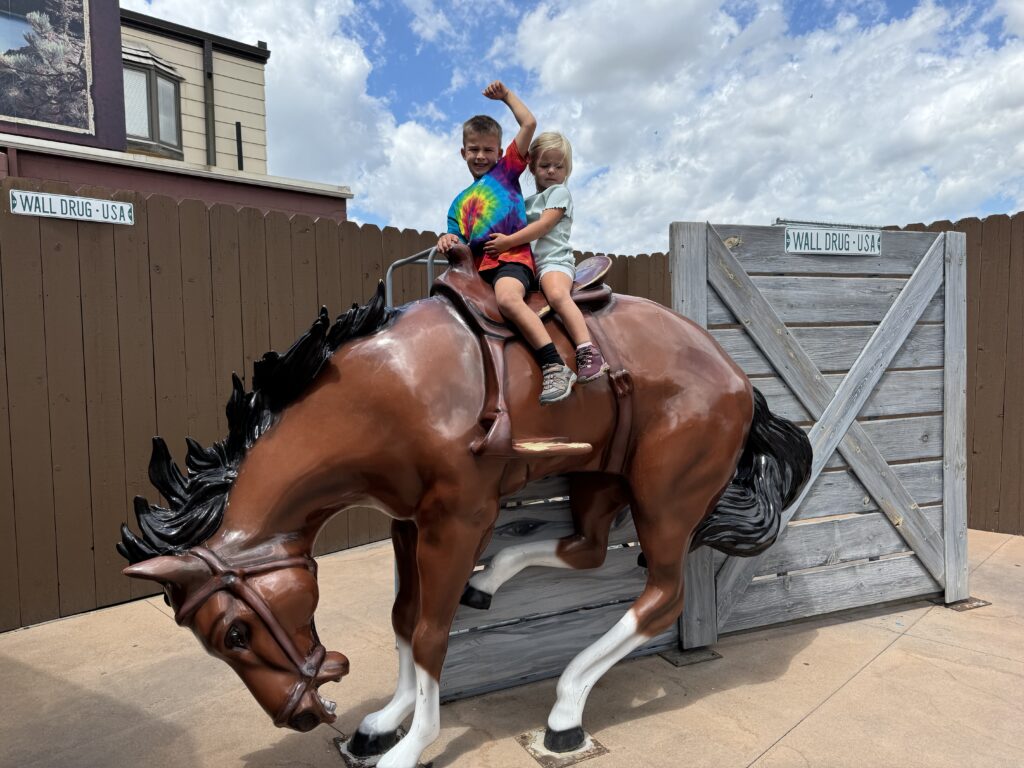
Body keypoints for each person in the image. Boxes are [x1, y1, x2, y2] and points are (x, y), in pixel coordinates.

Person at [437, 81, 577, 404]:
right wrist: (446, 239)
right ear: (463, 153)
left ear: (500, 153)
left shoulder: (505, 172)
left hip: (512, 260)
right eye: (474, 149)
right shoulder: (458, 203)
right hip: (479, 272)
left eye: (488, 149)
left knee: (509, 300)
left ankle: (554, 364)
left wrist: (506, 98)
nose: (481, 155)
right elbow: (455, 237)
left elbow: (529, 123)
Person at [483, 132, 609, 383]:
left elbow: (543, 227)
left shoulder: (559, 194)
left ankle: (587, 350)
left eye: (558, 166)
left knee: (557, 295)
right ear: (531, 167)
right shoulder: (526, 202)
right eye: (544, 165)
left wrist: (507, 242)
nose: (551, 171)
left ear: (567, 169)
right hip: (531, 266)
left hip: (554, 262)